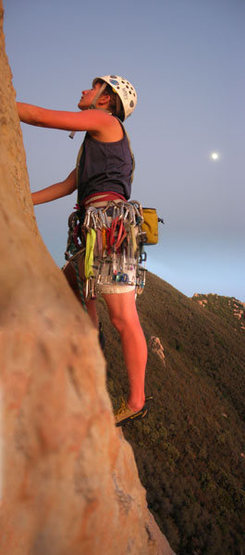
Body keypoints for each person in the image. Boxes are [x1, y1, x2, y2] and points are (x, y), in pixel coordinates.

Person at [17, 75, 148, 426]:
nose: (84, 91)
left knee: (123, 316)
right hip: (94, 230)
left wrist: (7, 106)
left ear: (105, 100)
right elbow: (67, 185)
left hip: (110, 229)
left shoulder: (105, 122)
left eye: (92, 89)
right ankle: (91, 347)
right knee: (70, 285)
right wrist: (21, 201)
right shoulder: (95, 142)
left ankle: (137, 401)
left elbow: (41, 117)